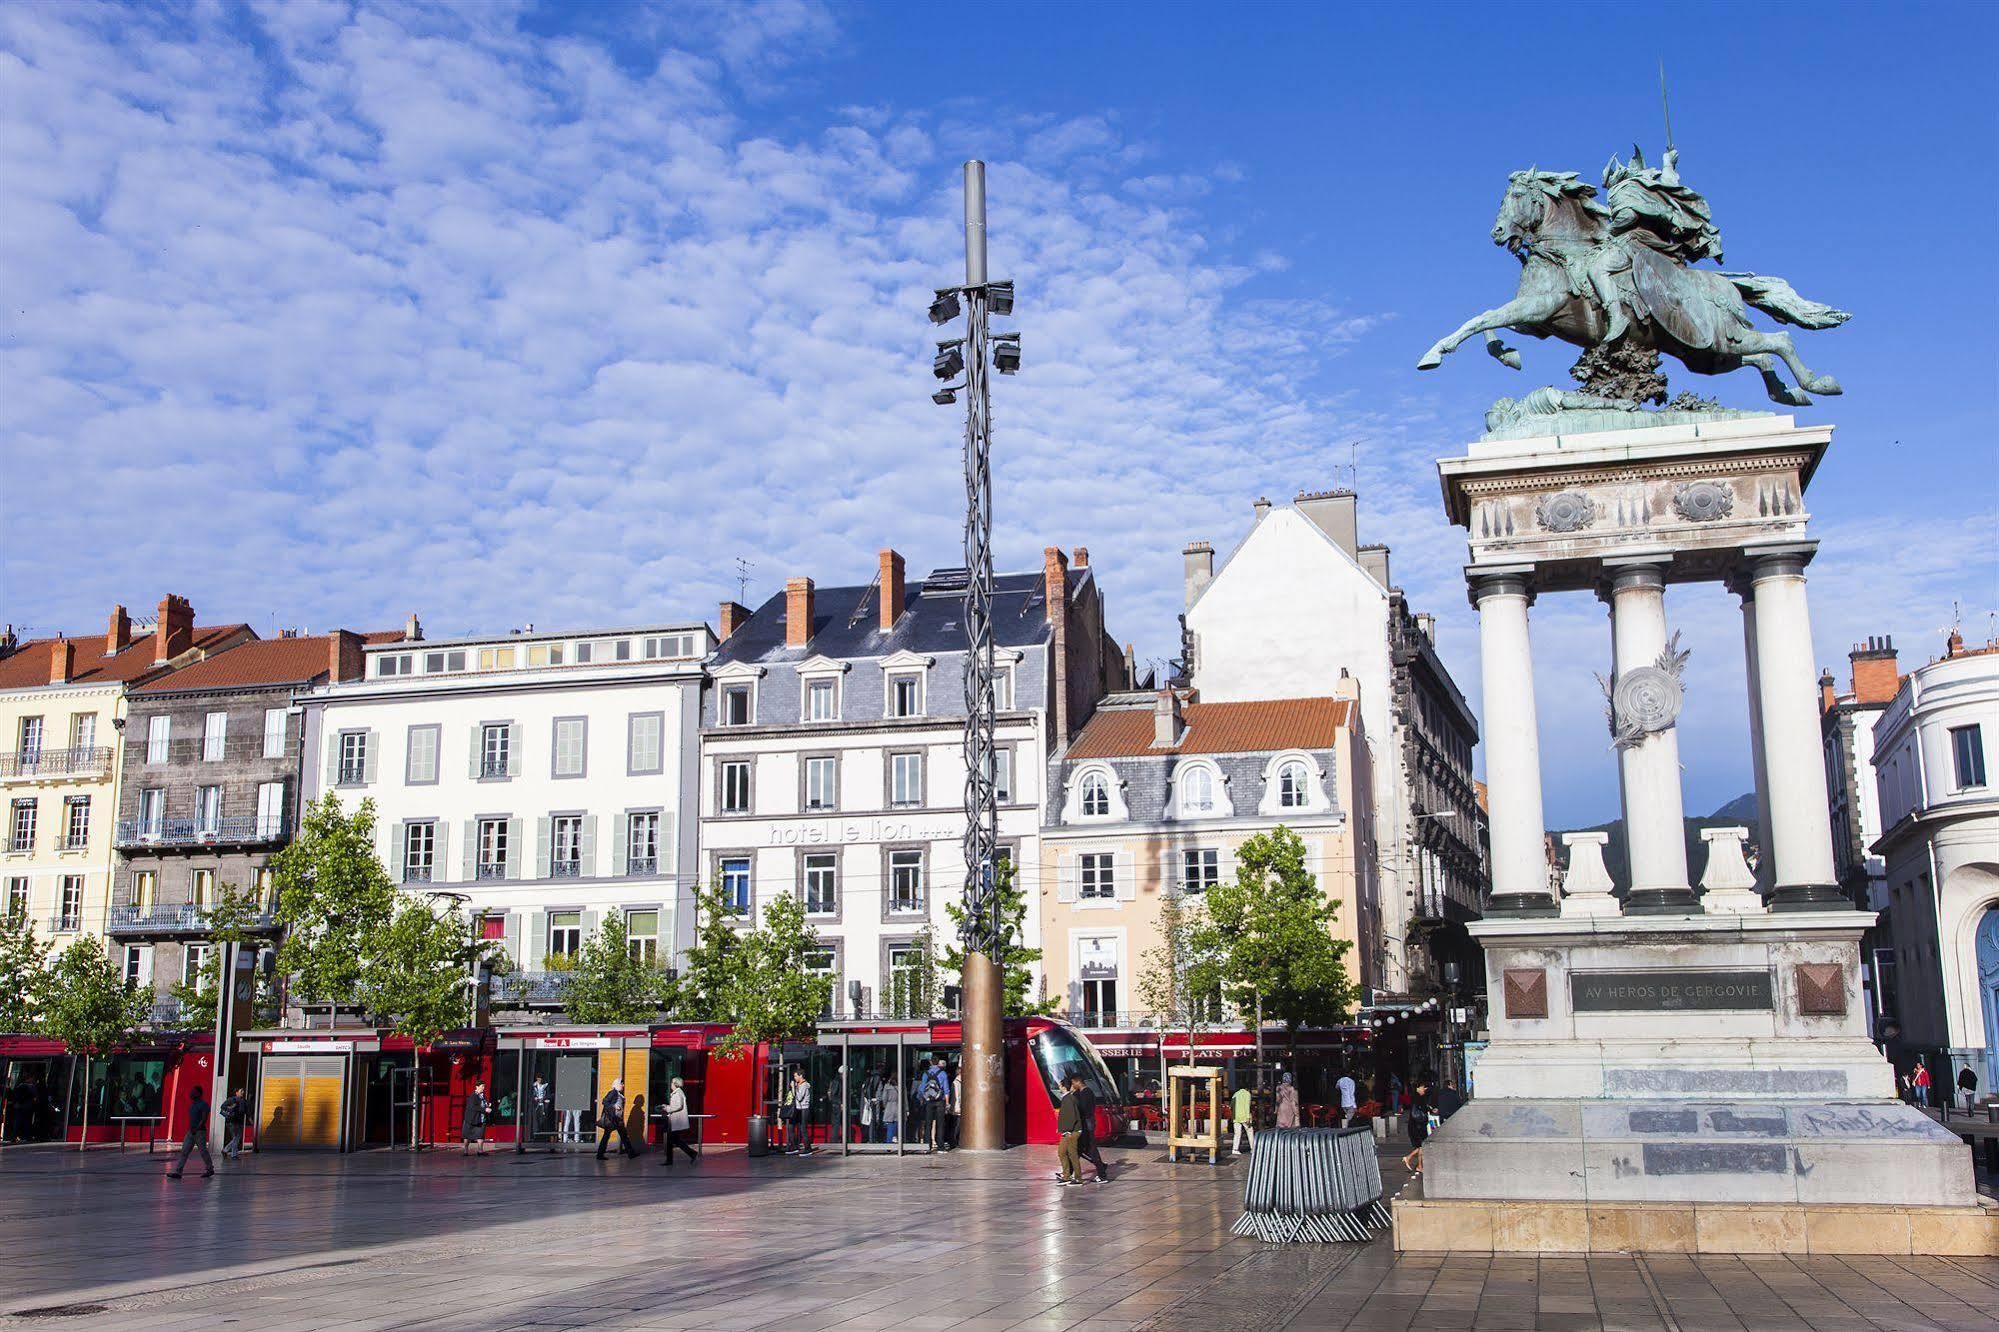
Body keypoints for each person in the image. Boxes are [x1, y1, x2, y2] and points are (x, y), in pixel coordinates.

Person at [166, 1081, 214, 1180]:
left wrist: (197, 1128)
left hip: (199, 1132)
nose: (191, 1093)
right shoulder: (192, 1105)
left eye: (194, 1092)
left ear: (199, 1094)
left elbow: (204, 1118)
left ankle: (210, 1169)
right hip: (191, 1131)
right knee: (184, 1151)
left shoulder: (203, 1105)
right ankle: (178, 1172)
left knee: (203, 1151)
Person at [1070, 1074, 1110, 1183]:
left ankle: (1102, 1174)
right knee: (1079, 1148)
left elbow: (1081, 1108)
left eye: (1073, 1083)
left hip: (1087, 1124)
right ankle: (1068, 1172)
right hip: (1086, 1123)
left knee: (1090, 1148)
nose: (1072, 1085)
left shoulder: (1086, 1093)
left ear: (1077, 1082)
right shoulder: (1082, 1092)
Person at [595, 1078, 639, 1160]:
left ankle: (630, 1153)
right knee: (613, 1136)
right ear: (616, 1084)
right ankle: (600, 1154)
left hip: (617, 1119)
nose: (623, 1085)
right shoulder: (613, 1092)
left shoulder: (618, 1094)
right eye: (621, 1083)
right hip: (613, 1119)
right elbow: (605, 1101)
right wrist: (614, 1106)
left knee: (622, 1136)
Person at [1400, 1073, 1434, 1176]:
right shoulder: (1418, 1098)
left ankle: (1413, 1161)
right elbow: (1418, 1111)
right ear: (1418, 1088)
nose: (1425, 1090)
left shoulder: (1417, 1097)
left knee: (1421, 1146)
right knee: (1421, 1146)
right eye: (1424, 1088)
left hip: (1416, 1125)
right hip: (1418, 1125)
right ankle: (1417, 1165)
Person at [660, 1076, 698, 1166]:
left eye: (672, 1083)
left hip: (676, 1121)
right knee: (675, 1140)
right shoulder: (677, 1093)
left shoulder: (678, 1093)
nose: (671, 1084)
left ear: (675, 1084)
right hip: (675, 1121)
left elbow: (678, 1106)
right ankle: (691, 1153)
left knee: (672, 1140)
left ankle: (670, 1160)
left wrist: (667, 1108)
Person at [1054, 1077, 1084, 1186]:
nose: (1059, 1087)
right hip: (1067, 1131)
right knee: (1062, 1152)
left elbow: (1071, 1117)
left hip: (1071, 1132)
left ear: (1063, 1087)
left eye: (1060, 1085)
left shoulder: (1068, 1099)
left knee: (1073, 1155)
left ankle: (1078, 1178)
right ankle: (1066, 1176)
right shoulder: (1067, 1098)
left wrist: (1067, 1130)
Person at [917, 1056, 950, 1150]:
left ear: (931, 1062)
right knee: (940, 1124)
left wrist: (924, 1098)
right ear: (938, 1062)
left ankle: (927, 1146)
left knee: (928, 1124)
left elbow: (922, 1089)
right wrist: (947, 1103)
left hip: (929, 1101)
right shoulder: (943, 1073)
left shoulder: (925, 1074)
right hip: (940, 1101)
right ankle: (940, 1146)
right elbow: (946, 1090)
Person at [786, 1069, 816, 1156]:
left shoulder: (804, 1085)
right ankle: (794, 1146)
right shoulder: (798, 1085)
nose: (794, 1078)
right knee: (790, 1127)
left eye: (796, 1076)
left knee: (803, 1129)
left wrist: (793, 1088)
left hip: (804, 1109)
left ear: (801, 1076)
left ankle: (808, 1148)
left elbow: (799, 1097)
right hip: (797, 1109)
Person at [218, 1086, 249, 1158]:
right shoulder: (231, 1100)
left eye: (243, 1091)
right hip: (231, 1121)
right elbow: (223, 1106)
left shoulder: (244, 1101)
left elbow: (246, 1111)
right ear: (236, 1092)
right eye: (241, 1091)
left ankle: (225, 1150)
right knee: (236, 1137)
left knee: (236, 1137)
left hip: (239, 1121)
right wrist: (231, 1107)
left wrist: (249, 1119)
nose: (243, 1092)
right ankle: (234, 1154)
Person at [462, 1082, 488, 1155]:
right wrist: (485, 1109)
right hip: (471, 1119)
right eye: (482, 1086)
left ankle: (480, 1151)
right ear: (477, 1087)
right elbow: (473, 1107)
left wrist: (487, 1105)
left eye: (484, 1086)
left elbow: (482, 1104)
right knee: (467, 1135)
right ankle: (465, 1151)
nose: (483, 1088)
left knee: (480, 1135)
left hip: (481, 1119)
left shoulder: (483, 1096)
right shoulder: (473, 1096)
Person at [1230, 1081, 1254, 1155]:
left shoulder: (1235, 1094)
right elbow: (1247, 1106)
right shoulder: (1247, 1094)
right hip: (1244, 1116)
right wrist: (1248, 1117)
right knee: (1250, 1131)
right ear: (1247, 1088)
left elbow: (1231, 1105)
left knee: (1237, 1133)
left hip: (1236, 1117)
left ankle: (1235, 1149)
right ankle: (1253, 1148)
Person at [945, 1060, 962, 1150]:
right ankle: (953, 1142)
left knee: (956, 1125)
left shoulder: (958, 1082)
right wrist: (957, 1107)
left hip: (957, 1107)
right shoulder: (956, 1083)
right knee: (956, 1126)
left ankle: (955, 1141)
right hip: (957, 1108)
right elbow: (956, 1096)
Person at [879, 1073, 900, 1144]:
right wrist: (906, 1109)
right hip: (898, 1107)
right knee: (898, 1126)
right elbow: (905, 1099)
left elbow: (884, 1098)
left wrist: (885, 1106)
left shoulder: (887, 1086)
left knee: (890, 1127)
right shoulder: (901, 1086)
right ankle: (897, 1142)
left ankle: (889, 1144)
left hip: (889, 1107)